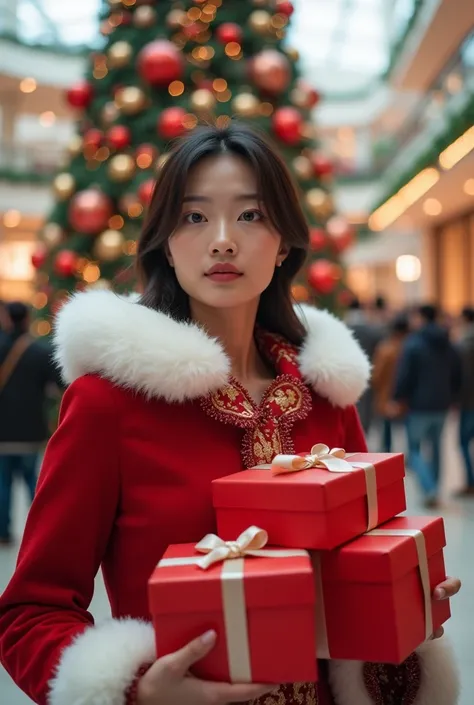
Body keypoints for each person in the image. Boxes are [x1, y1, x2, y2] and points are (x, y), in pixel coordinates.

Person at [0, 124, 460, 705]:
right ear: (166, 242)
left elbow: (360, 589)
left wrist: (405, 611)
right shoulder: (109, 403)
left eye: (250, 216)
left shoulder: (324, 396)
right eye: (194, 218)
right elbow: (30, 612)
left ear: (285, 242)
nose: (222, 240)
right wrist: (136, 691)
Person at [0, 301, 62, 545]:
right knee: (33, 486)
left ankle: (3, 533)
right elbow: (58, 385)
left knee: (2, 484)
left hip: (2, 432)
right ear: (27, 319)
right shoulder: (40, 351)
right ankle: (39, 532)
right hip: (29, 429)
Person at [393, 304, 461, 507]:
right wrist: (452, 396)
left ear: (421, 317)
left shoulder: (414, 343)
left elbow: (405, 374)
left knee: (414, 449)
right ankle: (436, 489)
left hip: (419, 404)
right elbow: (458, 374)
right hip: (442, 403)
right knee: (437, 447)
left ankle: (429, 488)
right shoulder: (449, 342)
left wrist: (398, 397)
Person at [372, 314, 410, 452]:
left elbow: (377, 375)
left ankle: (388, 453)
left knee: (386, 429)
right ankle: (406, 455)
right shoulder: (410, 348)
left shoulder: (385, 349)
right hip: (407, 396)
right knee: (405, 429)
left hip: (386, 394)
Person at [345, 297, 382, 434]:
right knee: (366, 405)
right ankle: (363, 430)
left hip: (347, 374)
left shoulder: (343, 327)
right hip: (367, 372)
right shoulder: (371, 330)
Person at [457, 306, 474, 495]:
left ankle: (470, 481)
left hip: (468, 402)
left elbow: (462, 377)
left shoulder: (463, 345)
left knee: (463, 442)